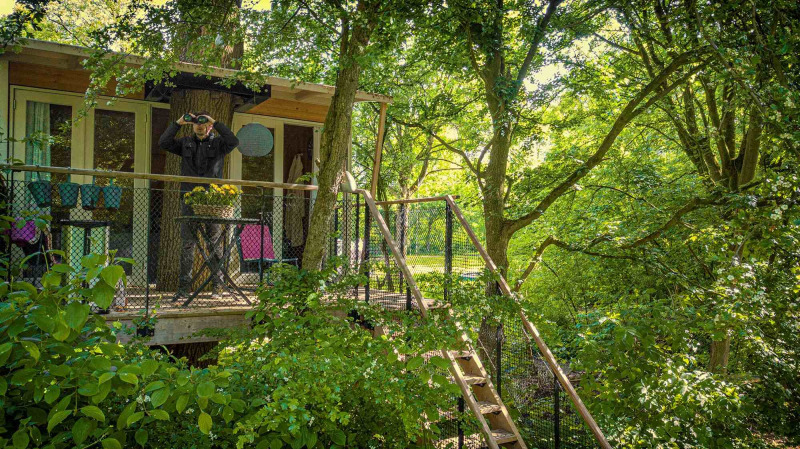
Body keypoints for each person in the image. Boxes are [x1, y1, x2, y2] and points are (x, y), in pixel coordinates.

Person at [159, 111, 239, 298]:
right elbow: (164, 142)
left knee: (214, 244)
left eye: (203, 123)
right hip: (190, 199)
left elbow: (233, 141)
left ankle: (217, 286)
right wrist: (179, 123)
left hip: (212, 201)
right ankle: (183, 289)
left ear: (209, 126)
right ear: (192, 125)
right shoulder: (185, 143)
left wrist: (215, 122)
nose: (199, 126)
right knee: (187, 244)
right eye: (196, 123)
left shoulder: (219, 144)